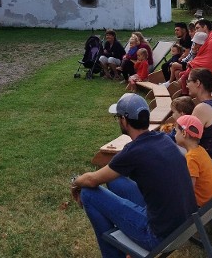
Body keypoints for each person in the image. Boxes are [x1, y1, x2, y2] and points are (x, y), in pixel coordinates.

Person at [71, 93, 197, 257]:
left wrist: (75, 182)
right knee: (116, 181)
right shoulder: (163, 138)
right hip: (185, 224)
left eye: (117, 117)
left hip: (158, 236)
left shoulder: (133, 151)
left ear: (124, 120)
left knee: (88, 193)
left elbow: (92, 179)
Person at [174, 114, 212, 207]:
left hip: (200, 202)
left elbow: (190, 187)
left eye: (176, 131)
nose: (175, 135)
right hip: (210, 198)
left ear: (184, 133)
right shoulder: (200, 150)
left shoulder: (191, 157)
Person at [176, 19, 212, 92]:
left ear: (205, 27)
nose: (195, 31)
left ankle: (184, 94)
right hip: (200, 65)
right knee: (180, 73)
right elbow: (202, 56)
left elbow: (209, 60)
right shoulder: (204, 39)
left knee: (183, 76)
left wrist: (193, 63)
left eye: (197, 28)